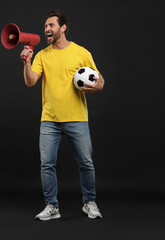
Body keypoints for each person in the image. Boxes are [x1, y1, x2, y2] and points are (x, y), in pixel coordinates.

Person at [20, 10, 104, 221]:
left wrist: (91, 88)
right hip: (49, 120)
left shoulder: (81, 53)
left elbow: (100, 82)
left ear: (63, 27)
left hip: (77, 118)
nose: (47, 29)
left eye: (51, 25)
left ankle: (89, 203)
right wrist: (26, 62)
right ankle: (52, 206)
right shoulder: (42, 55)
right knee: (46, 164)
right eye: (46, 26)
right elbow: (31, 82)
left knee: (86, 162)